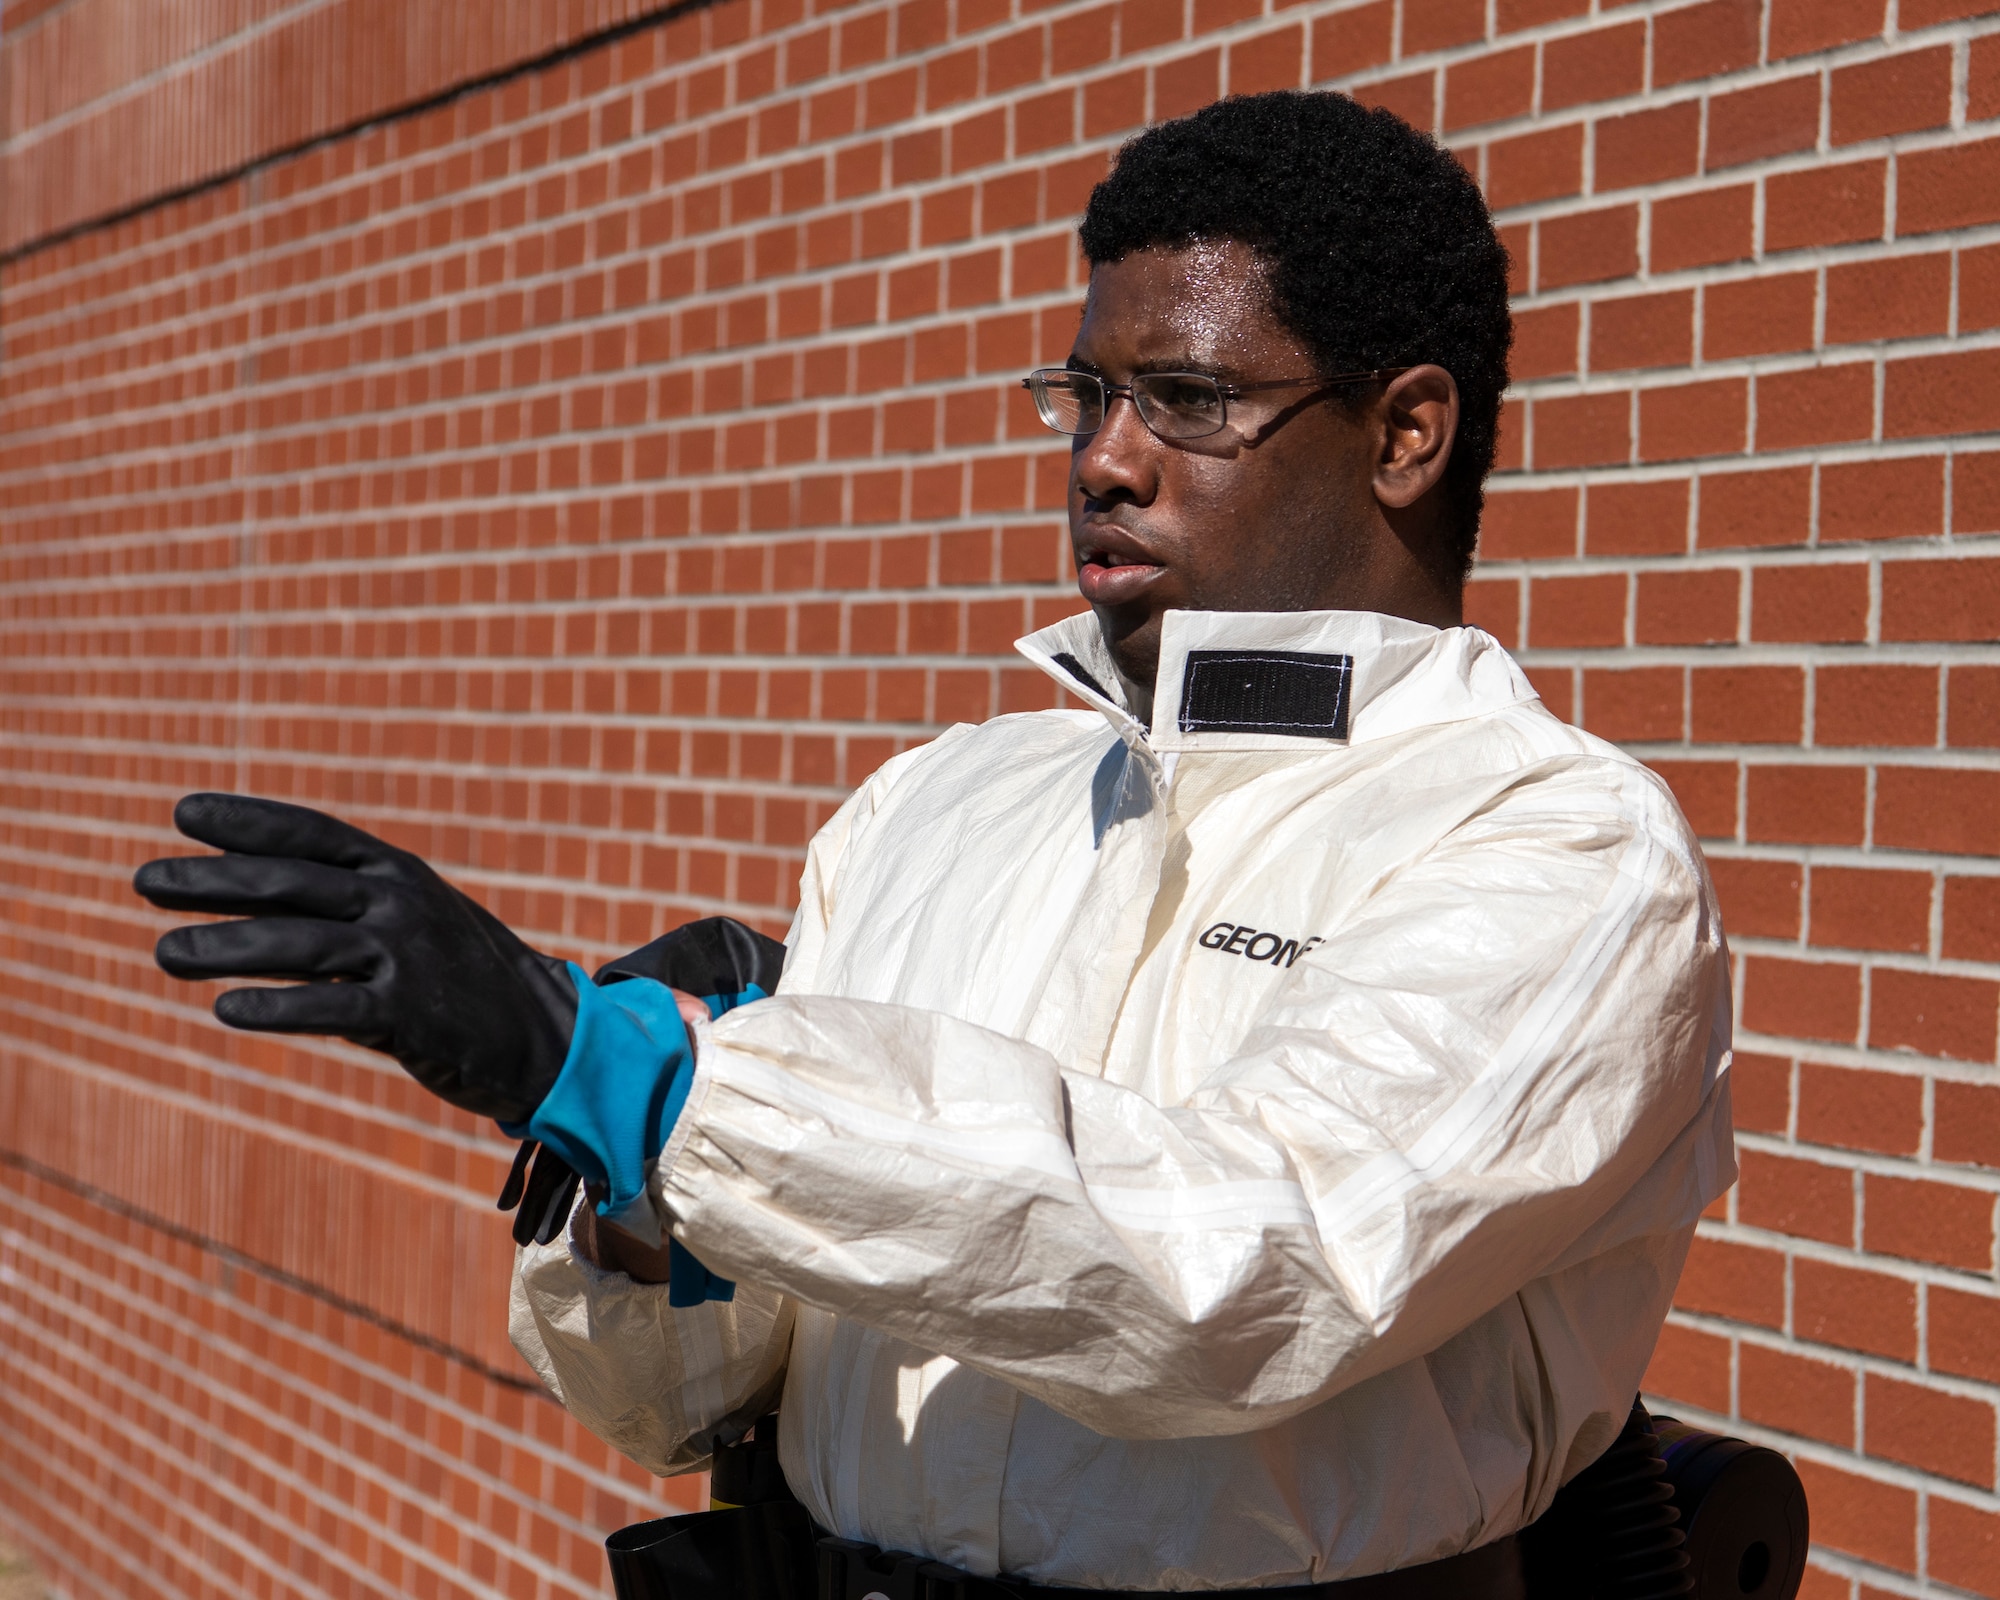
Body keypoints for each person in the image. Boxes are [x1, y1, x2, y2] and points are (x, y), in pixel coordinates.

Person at [136, 91, 1734, 1595]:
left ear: (1405, 435)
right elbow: (681, 1397)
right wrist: (640, 1179)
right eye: (1090, 392)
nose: (1103, 458)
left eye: (1189, 399)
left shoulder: (1559, 845)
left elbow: (1246, 1271)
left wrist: (650, 1076)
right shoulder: (939, 804)